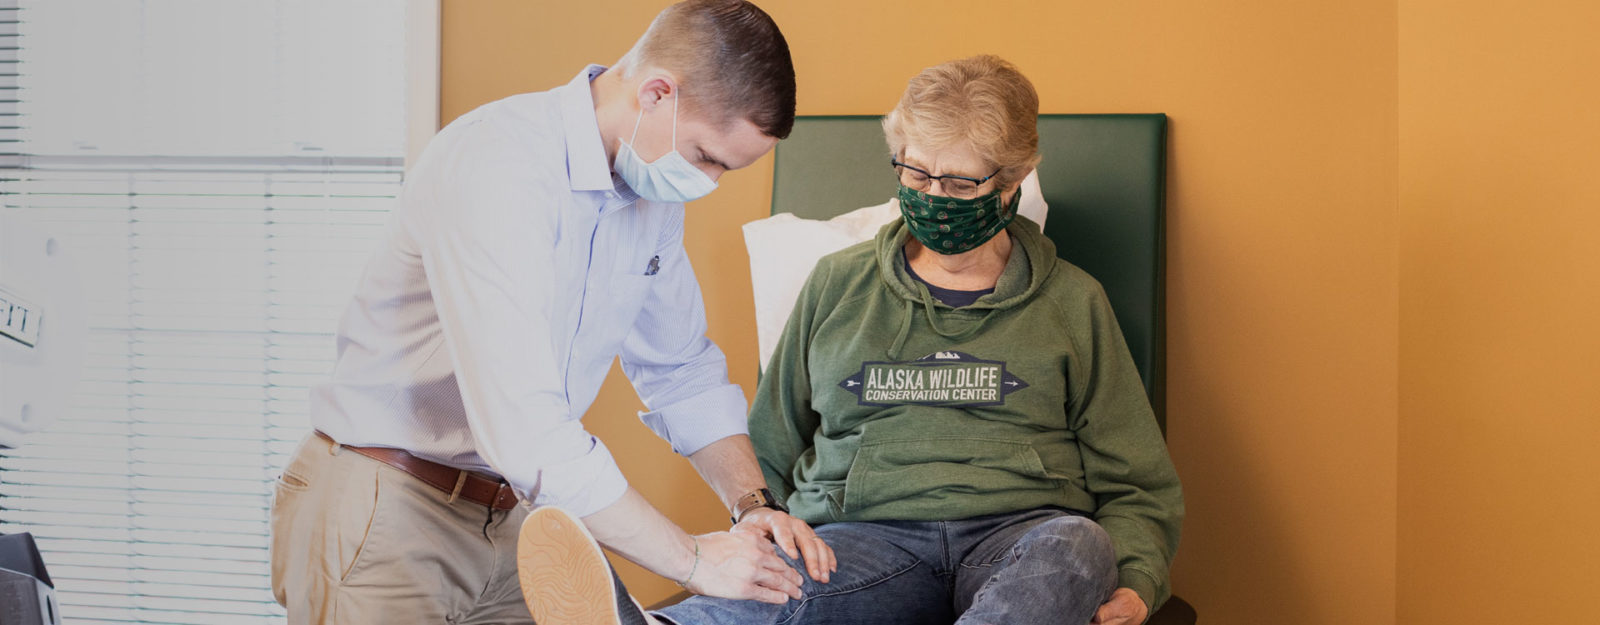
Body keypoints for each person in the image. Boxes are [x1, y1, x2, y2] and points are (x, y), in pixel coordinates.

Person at [520, 55, 1183, 625]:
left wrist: (1136, 582)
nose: (933, 196)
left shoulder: (1073, 302)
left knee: (1080, 547)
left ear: (1011, 182)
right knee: (784, 570)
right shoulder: (837, 285)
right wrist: (759, 529)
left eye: (959, 182)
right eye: (916, 174)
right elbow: (771, 448)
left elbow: (1138, 484)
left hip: (1020, 534)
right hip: (862, 540)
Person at [269, 2, 836, 624]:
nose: (709, 183)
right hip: (389, 505)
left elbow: (682, 367)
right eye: (707, 157)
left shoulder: (648, 195)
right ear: (655, 92)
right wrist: (695, 561)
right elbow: (526, 427)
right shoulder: (499, 165)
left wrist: (751, 504)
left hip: (518, 516)